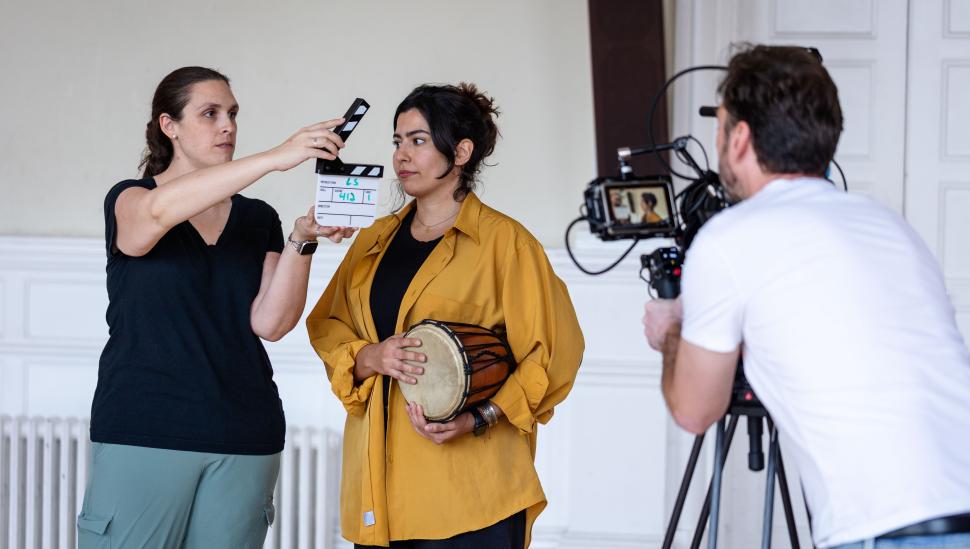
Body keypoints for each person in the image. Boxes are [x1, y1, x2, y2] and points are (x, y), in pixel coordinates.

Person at [642, 45, 970, 549]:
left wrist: (671, 330)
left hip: (892, 528)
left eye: (721, 125)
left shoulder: (730, 238)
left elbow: (695, 410)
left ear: (739, 138)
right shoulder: (888, 224)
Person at [79, 66, 356, 549]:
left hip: (245, 433)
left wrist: (302, 239)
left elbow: (271, 323)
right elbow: (154, 219)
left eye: (232, 113)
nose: (227, 125)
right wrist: (275, 158)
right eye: (210, 114)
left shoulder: (258, 218)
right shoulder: (131, 199)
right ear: (169, 125)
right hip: (145, 429)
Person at [306, 83, 584, 548]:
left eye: (418, 140)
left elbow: (553, 355)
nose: (401, 155)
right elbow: (328, 325)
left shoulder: (506, 243)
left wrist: (480, 417)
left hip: (471, 498)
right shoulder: (373, 240)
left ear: (461, 152)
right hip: (380, 493)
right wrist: (370, 356)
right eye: (397, 141)